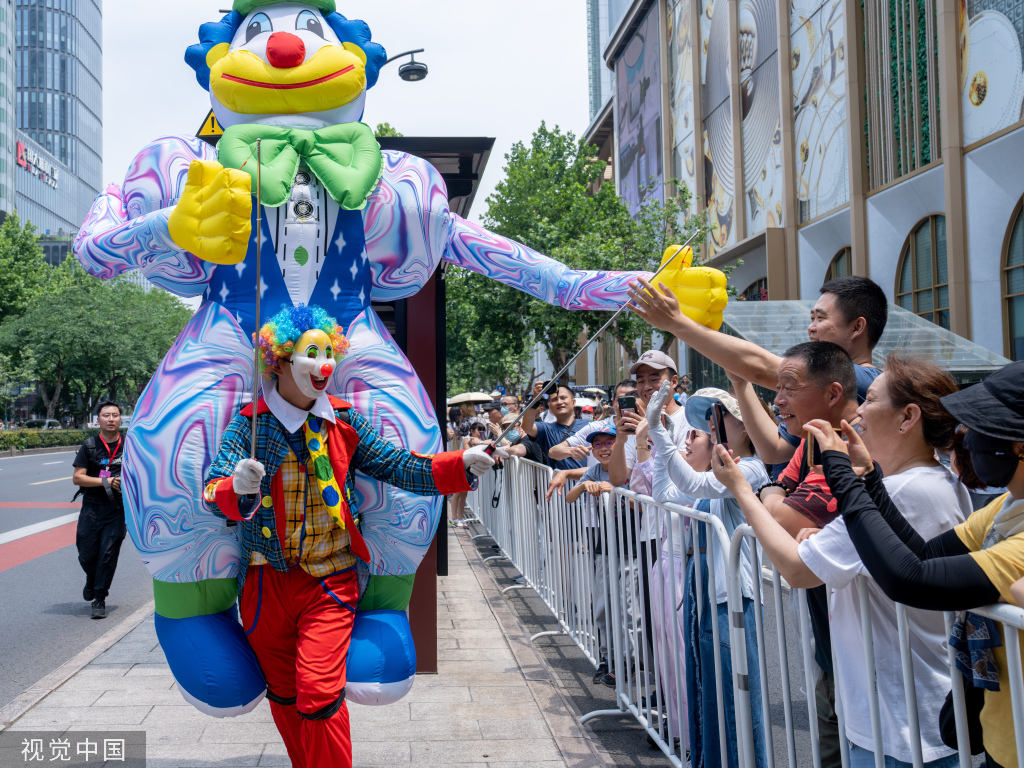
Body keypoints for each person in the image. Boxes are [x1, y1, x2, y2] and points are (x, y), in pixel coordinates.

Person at [203, 306, 502, 768]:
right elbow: (214, 485)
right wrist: (236, 487)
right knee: (283, 692)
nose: (324, 365)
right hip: (265, 584)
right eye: (310, 354)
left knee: (319, 691)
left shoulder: (343, 422)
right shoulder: (251, 423)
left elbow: (401, 465)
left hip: (329, 580)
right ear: (279, 360)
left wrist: (460, 465)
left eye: (328, 354)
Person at [712, 354, 974, 768]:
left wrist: (743, 490)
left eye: (869, 400)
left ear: (907, 418)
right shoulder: (923, 482)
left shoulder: (909, 489)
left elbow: (797, 569)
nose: (860, 410)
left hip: (903, 725)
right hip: (898, 714)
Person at [803, 360, 1024, 768]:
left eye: (984, 426)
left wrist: (846, 481)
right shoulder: (1003, 510)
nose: (967, 436)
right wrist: (868, 480)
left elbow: (914, 580)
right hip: (1001, 736)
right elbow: (923, 555)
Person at [628, 275, 888, 464]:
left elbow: (761, 367)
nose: (811, 328)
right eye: (811, 319)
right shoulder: (809, 410)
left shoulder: (868, 380)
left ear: (857, 327)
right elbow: (774, 450)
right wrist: (741, 385)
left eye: (821, 319)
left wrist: (677, 323)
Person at [647, 382, 770, 768]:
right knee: (707, 694)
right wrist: (661, 441)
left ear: (749, 425)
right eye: (708, 422)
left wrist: (657, 433)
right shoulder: (722, 474)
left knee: (734, 704)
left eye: (720, 418)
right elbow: (667, 495)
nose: (713, 427)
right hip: (705, 592)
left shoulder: (748, 468)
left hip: (731, 597)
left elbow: (693, 483)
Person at [563, 424, 625, 685]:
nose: (603, 448)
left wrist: (615, 490)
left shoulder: (626, 470)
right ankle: (606, 659)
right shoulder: (594, 469)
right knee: (601, 606)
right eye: (597, 444)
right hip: (602, 546)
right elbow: (569, 497)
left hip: (628, 546)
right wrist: (586, 484)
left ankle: (627, 661)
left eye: (608, 443)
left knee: (627, 609)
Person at [72, 401, 127, 620]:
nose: (111, 419)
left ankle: (99, 598)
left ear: (120, 419)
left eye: (115, 415)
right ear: (98, 420)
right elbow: (78, 478)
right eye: (106, 415)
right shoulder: (90, 445)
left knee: (108, 555)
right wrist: (107, 481)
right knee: (86, 555)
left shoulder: (130, 445)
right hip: (92, 508)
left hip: (118, 508)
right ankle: (92, 579)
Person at [521, 384, 588, 471]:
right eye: (554, 399)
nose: (559, 402)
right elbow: (527, 426)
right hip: (559, 483)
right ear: (550, 406)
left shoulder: (590, 425)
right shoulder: (546, 429)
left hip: (589, 483)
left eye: (563, 398)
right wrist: (535, 398)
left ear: (573, 402)